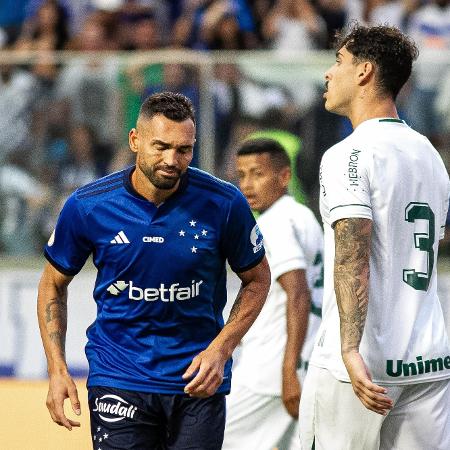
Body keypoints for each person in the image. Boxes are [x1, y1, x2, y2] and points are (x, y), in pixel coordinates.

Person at [37, 91, 271, 450]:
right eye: (160, 146)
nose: (171, 160)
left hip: (198, 382)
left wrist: (221, 350)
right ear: (135, 140)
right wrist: (57, 369)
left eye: (184, 150)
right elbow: (53, 285)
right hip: (119, 375)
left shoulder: (224, 204)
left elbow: (258, 279)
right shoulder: (88, 206)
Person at [299, 23, 450, 450]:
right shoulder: (430, 155)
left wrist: (349, 350)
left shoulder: (348, 153)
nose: (329, 74)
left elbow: (353, 255)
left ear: (364, 71)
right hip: (428, 358)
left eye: (339, 62)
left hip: (363, 365)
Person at [223, 138, 324, 450]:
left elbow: (297, 293)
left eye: (257, 173)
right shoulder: (303, 216)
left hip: (270, 371)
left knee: (207, 440)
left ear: (284, 177)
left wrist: (287, 369)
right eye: (241, 175)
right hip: (305, 363)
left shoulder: (274, 223)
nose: (247, 185)